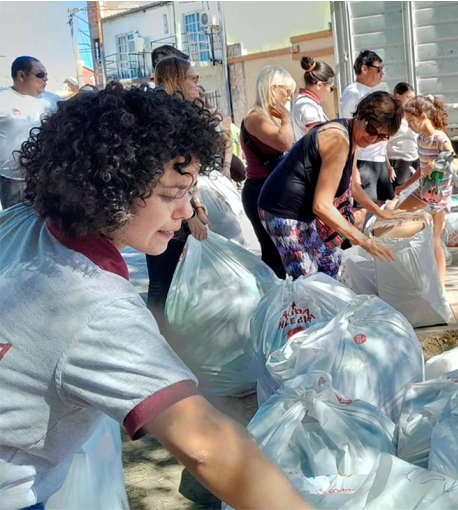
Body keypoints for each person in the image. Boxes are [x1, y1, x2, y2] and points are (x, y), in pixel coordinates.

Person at [0, 83, 306, 510]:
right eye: (170, 194)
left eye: (188, 191)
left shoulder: (19, 220)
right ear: (108, 187)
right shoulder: (96, 306)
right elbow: (206, 445)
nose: (184, 211)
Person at [258, 91, 401, 279]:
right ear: (360, 115)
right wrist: (364, 241)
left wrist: (380, 212)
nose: (373, 138)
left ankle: (324, 307)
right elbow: (321, 206)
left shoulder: (353, 138)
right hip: (281, 210)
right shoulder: (338, 138)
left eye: (382, 137)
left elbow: (352, 186)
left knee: (331, 262)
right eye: (371, 129)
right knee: (308, 279)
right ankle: (299, 307)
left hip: (304, 213)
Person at [144, 57, 225, 328]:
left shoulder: (184, 117)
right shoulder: (162, 120)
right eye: (192, 78)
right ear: (175, 81)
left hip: (180, 205)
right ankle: (159, 340)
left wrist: (198, 208)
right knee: (163, 278)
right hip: (163, 208)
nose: (197, 83)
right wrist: (188, 214)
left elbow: (190, 176)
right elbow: (170, 175)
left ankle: (173, 337)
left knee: (178, 277)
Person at [395, 95, 458, 288]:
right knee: (396, 216)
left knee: (435, 240)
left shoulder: (440, 138)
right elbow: (423, 168)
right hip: (423, 190)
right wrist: (404, 186)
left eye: (410, 121)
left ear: (423, 116)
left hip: (439, 196)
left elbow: (456, 165)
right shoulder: (421, 138)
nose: (409, 126)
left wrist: (437, 164)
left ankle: (440, 287)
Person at [240, 65, 296, 279]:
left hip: (270, 190)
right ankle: (273, 302)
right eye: (286, 91)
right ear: (273, 88)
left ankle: (278, 301)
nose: (288, 97)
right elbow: (284, 142)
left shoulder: (263, 117)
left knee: (280, 253)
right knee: (274, 255)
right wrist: (286, 119)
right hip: (260, 192)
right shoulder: (256, 117)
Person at [0, 56, 58, 209]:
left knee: (45, 223)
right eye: (40, 74)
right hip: (14, 180)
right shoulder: (3, 99)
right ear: (21, 75)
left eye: (46, 75)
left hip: (45, 176)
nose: (45, 79)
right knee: (15, 225)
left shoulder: (53, 100)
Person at [338, 50, 395, 205]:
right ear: (364, 69)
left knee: (385, 205)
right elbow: (348, 131)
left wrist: (387, 163)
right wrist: (353, 167)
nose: (382, 74)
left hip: (377, 160)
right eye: (378, 69)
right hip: (363, 160)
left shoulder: (371, 92)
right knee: (361, 210)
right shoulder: (353, 93)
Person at [291, 55, 335, 141]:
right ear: (319, 85)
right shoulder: (308, 107)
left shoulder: (305, 102)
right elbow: (320, 141)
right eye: (331, 88)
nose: (329, 92)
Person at [387, 82, 418, 189]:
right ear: (398, 96)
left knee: (417, 190)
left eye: (413, 97)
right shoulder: (392, 116)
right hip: (398, 159)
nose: (411, 100)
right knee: (400, 192)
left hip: (414, 157)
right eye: (408, 97)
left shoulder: (414, 115)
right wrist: (388, 165)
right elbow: (383, 142)